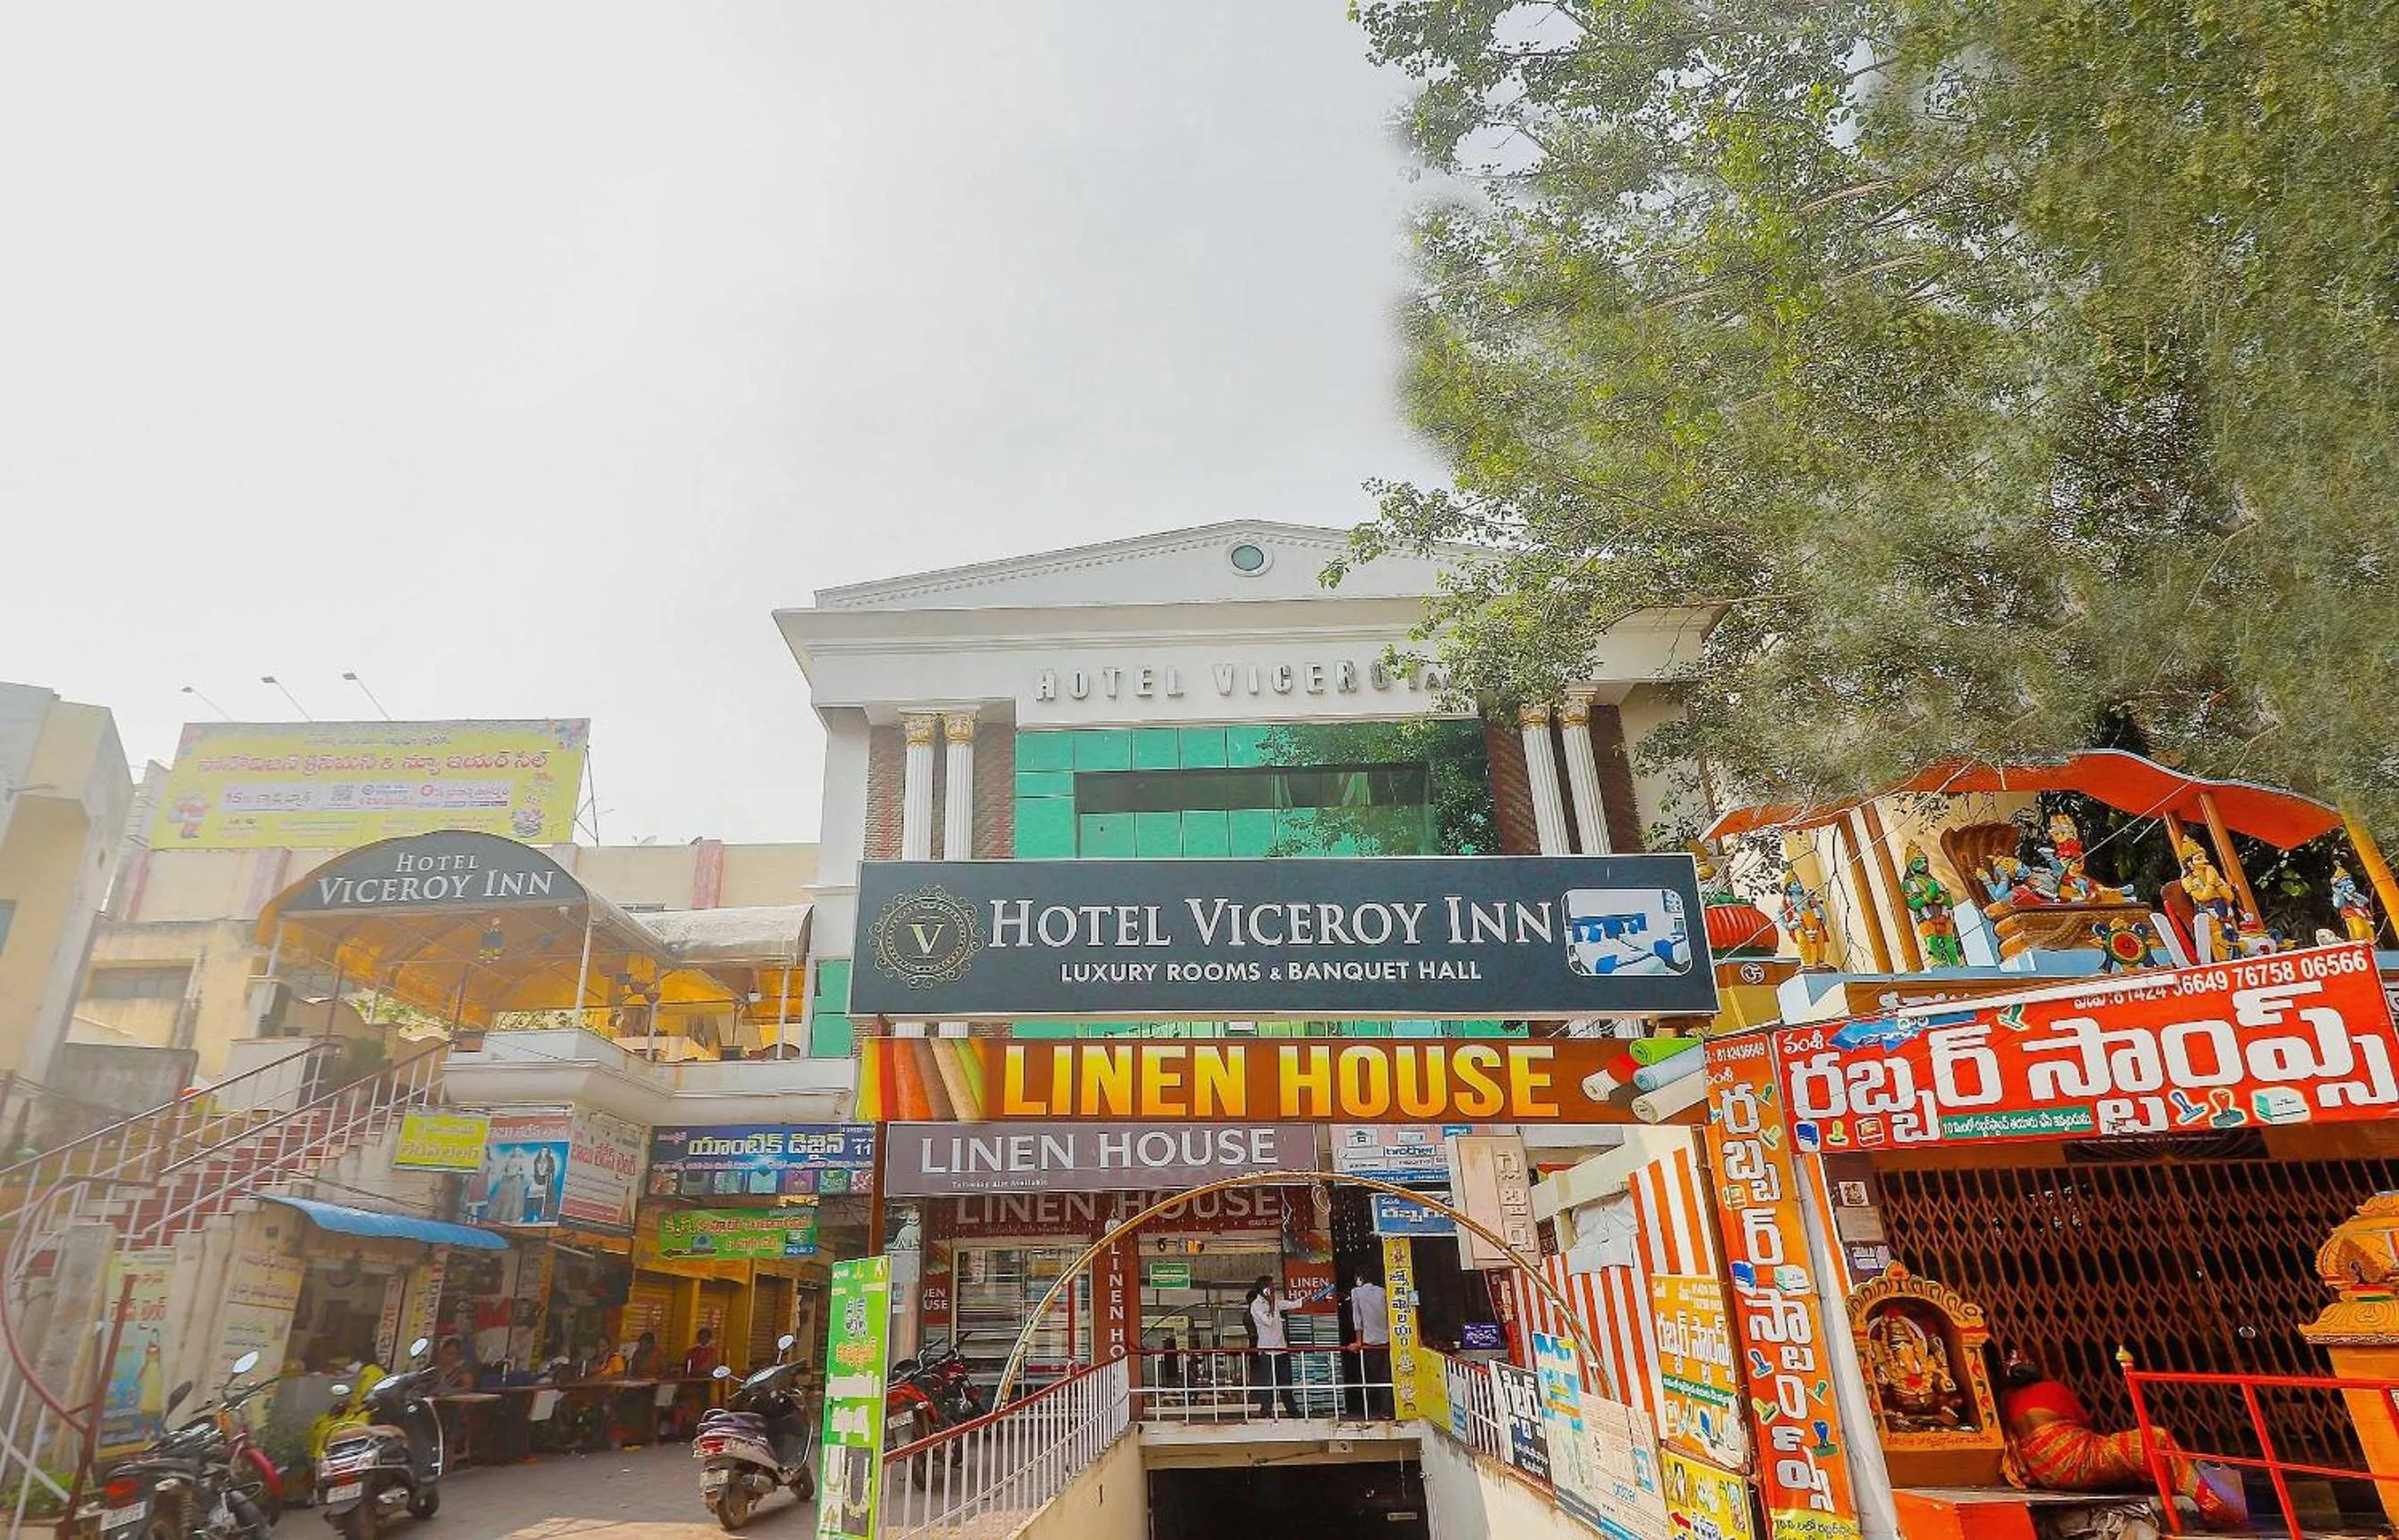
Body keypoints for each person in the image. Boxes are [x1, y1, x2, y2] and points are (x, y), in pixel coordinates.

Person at [1999, 1352, 2245, 1528]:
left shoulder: (2008, 1400)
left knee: (2131, 1459)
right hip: (2076, 1460)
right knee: (2156, 1438)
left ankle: (2176, 1487)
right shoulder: (2052, 1388)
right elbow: (2086, 1423)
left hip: (2045, 1473)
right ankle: (2211, 1504)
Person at [1245, 1276, 1307, 1419]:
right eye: (1271, 1287)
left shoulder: (1276, 1303)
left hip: (1281, 1349)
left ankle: (1292, 1411)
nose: (1274, 1290)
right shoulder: (1256, 1305)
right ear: (1264, 1289)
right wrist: (1272, 1303)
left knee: (1286, 1383)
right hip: (1267, 1351)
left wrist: (1308, 1299)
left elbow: (1294, 1304)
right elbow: (1268, 1321)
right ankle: (1266, 1410)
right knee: (1267, 1383)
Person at [1349, 1270, 1392, 1420]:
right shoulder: (1383, 1291)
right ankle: (1387, 1410)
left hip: (1369, 1342)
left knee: (1371, 1377)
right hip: (1386, 1341)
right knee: (1386, 1377)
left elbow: (1357, 1319)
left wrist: (1358, 1341)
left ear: (1360, 1278)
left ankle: (1371, 1409)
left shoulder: (1356, 1292)